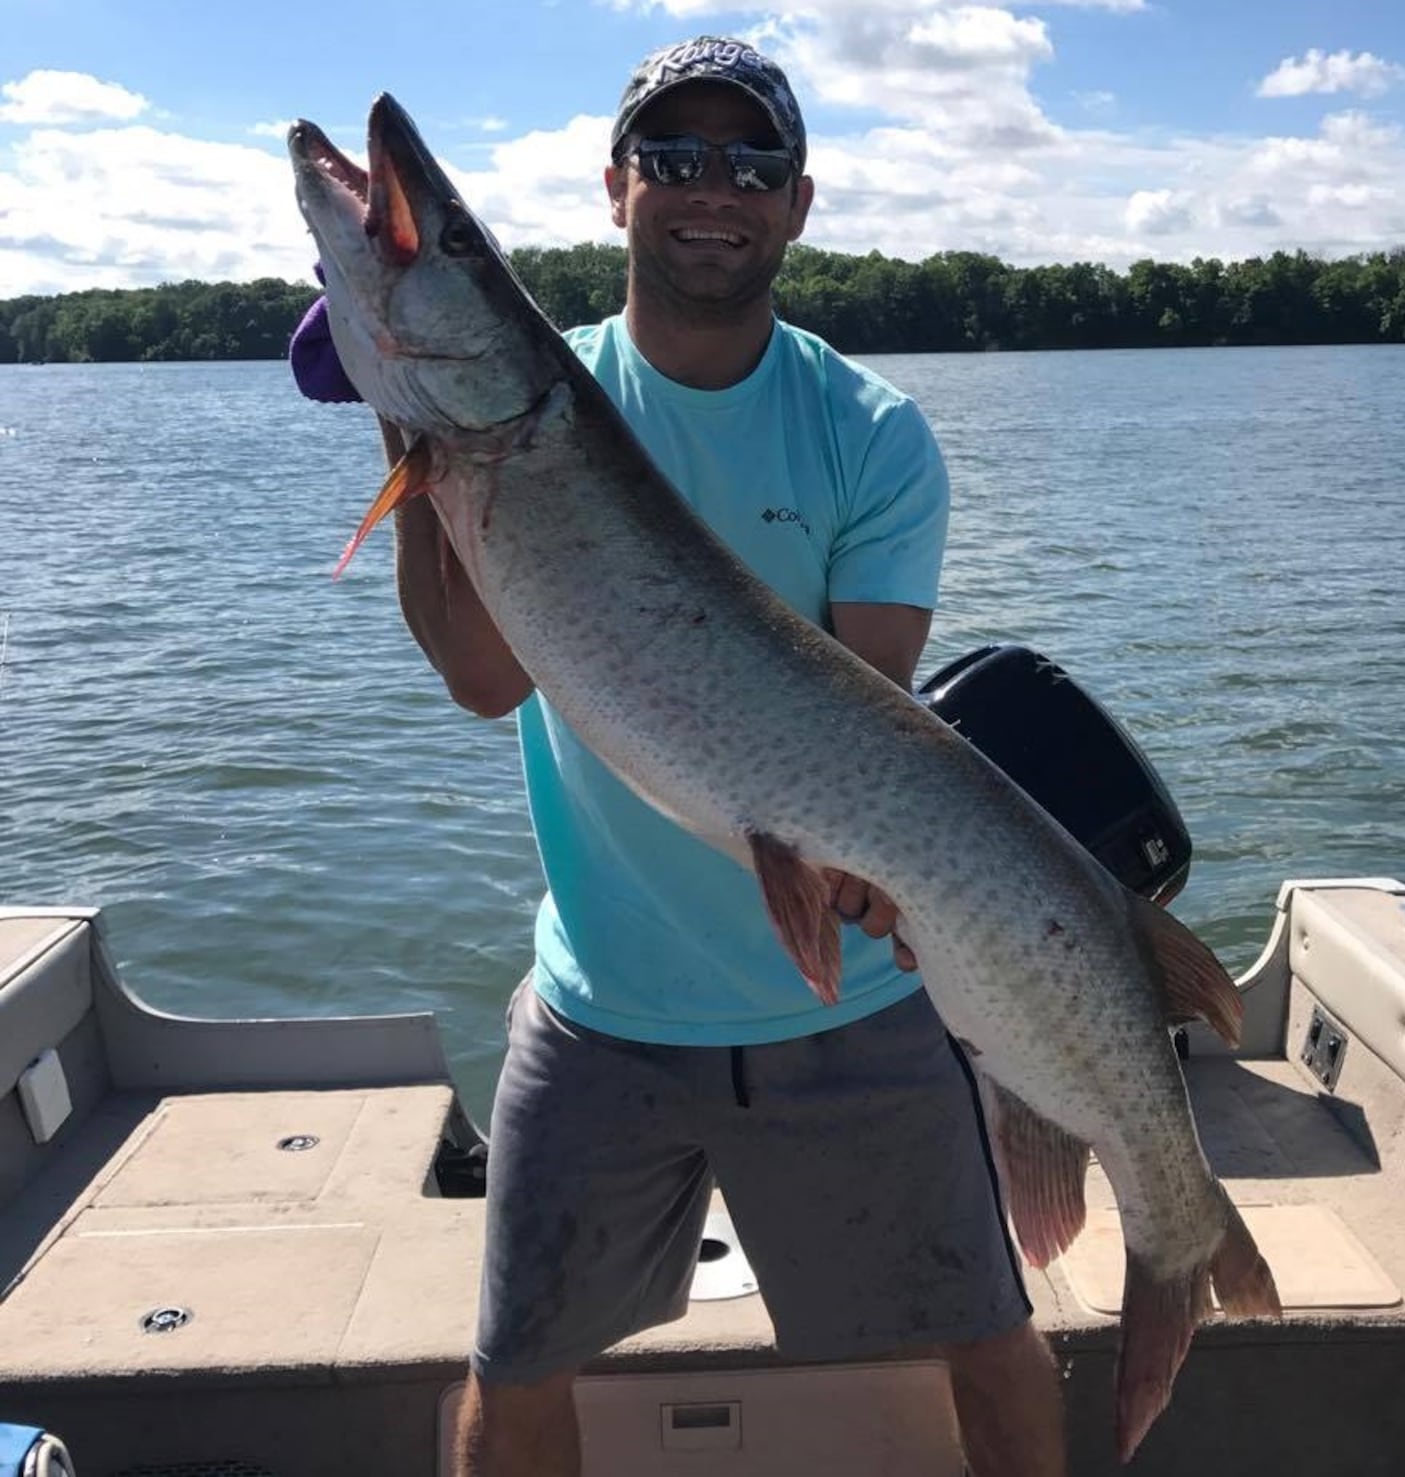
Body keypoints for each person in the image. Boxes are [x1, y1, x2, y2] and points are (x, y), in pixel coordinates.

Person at [295, 34, 1067, 1477]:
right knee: (514, 1364)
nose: (714, 188)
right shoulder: (528, 398)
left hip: (846, 1010)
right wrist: (418, 445)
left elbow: (845, 742)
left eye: (751, 161)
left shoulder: (875, 435)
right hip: (603, 1006)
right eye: (676, 155)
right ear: (615, 189)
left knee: (990, 1337)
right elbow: (479, 676)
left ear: (798, 203)